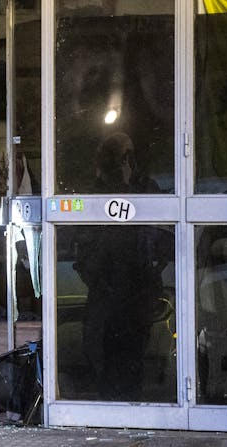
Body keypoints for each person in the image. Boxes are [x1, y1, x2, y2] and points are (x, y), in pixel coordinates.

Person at [74, 132, 169, 401]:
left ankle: (131, 404)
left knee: (133, 356)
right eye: (120, 157)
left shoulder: (146, 189)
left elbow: (159, 236)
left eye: (129, 157)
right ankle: (109, 405)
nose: (126, 162)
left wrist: (154, 271)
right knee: (102, 354)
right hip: (106, 289)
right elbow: (85, 248)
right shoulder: (96, 193)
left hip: (137, 288)